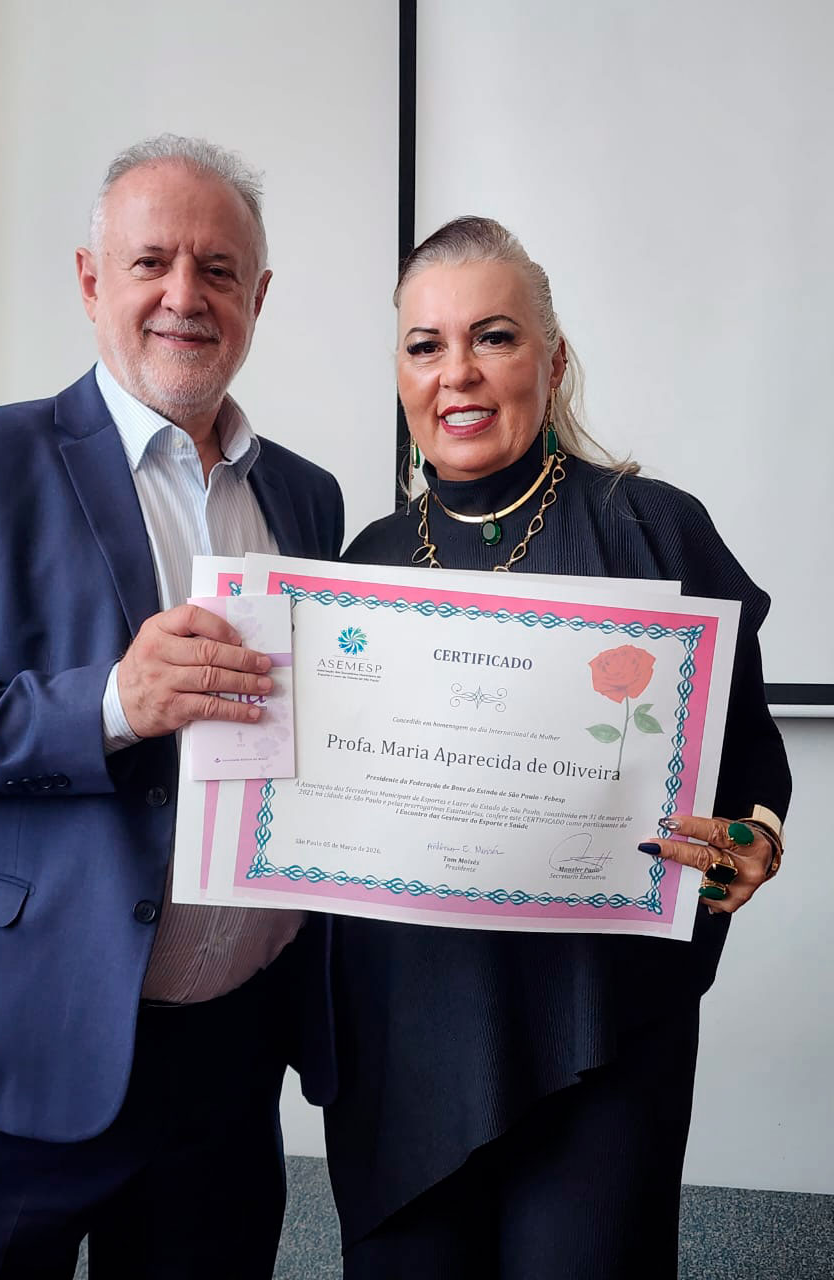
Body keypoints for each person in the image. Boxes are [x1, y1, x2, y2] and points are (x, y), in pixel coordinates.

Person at [0, 134, 342, 1279]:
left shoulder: (307, 496)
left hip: (226, 1061)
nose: (186, 294)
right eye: (151, 262)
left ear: (258, 298)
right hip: (11, 1047)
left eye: (219, 269)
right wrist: (109, 704)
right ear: (92, 281)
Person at [324, 216, 790, 1279]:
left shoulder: (652, 529)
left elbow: (752, 764)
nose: (458, 372)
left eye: (494, 336)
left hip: (599, 1035)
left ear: (554, 357)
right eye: (426, 344)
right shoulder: (361, 568)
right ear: (400, 370)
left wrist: (753, 839)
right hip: (403, 1038)